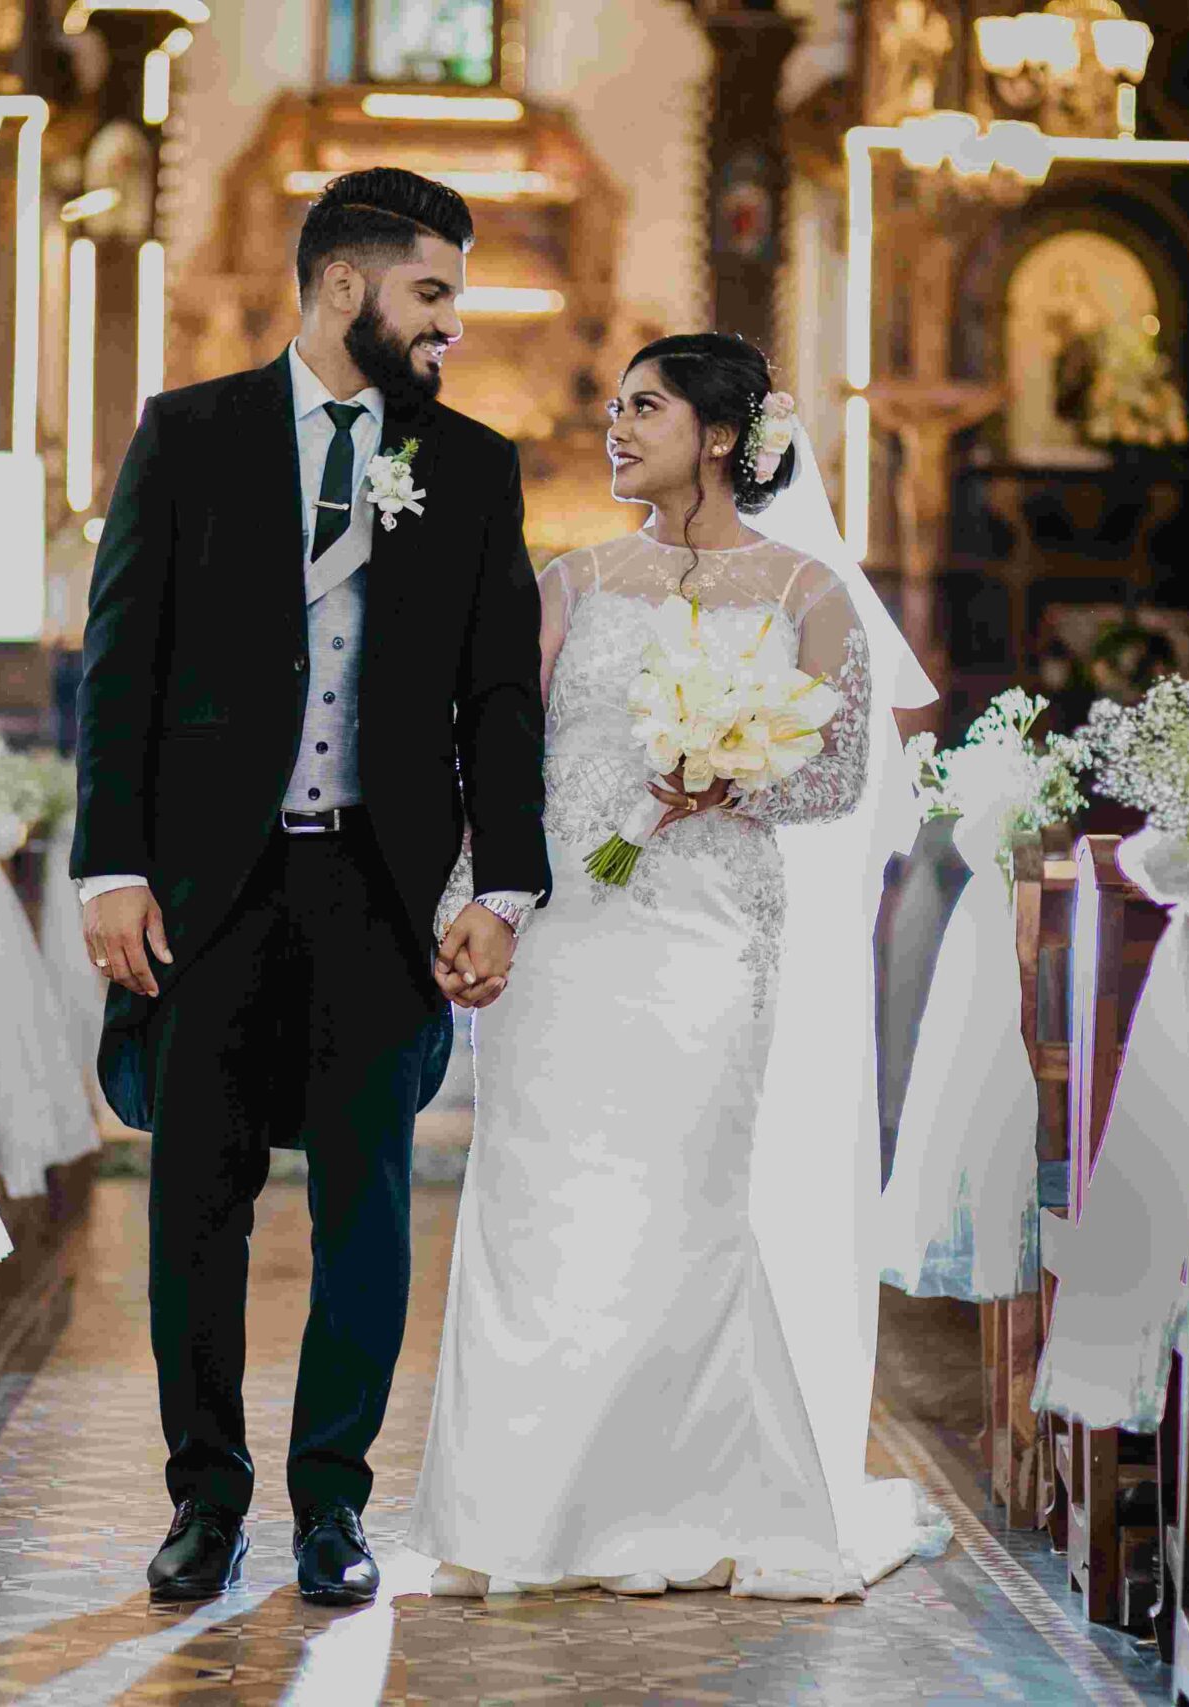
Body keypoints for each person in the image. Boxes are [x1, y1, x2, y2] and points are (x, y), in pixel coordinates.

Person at [69, 168, 548, 1607]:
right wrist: (112, 864)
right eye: (434, 292)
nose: (452, 323)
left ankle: (332, 1505)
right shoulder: (189, 435)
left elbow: (498, 700)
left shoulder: (469, 466)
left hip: (378, 889)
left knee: (369, 1205)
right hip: (212, 888)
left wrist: (504, 888)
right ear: (346, 286)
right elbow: (119, 664)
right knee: (195, 1210)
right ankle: (201, 1499)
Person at [408, 334, 951, 1599]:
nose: (613, 426)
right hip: (566, 935)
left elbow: (833, 778)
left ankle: (687, 1501)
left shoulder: (808, 591)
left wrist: (724, 770)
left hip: (710, 929)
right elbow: (492, 757)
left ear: (717, 434)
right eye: (612, 405)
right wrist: (468, 905)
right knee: (537, 1206)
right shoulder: (571, 581)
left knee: (684, 1202)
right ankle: (517, 1517)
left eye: (642, 407)